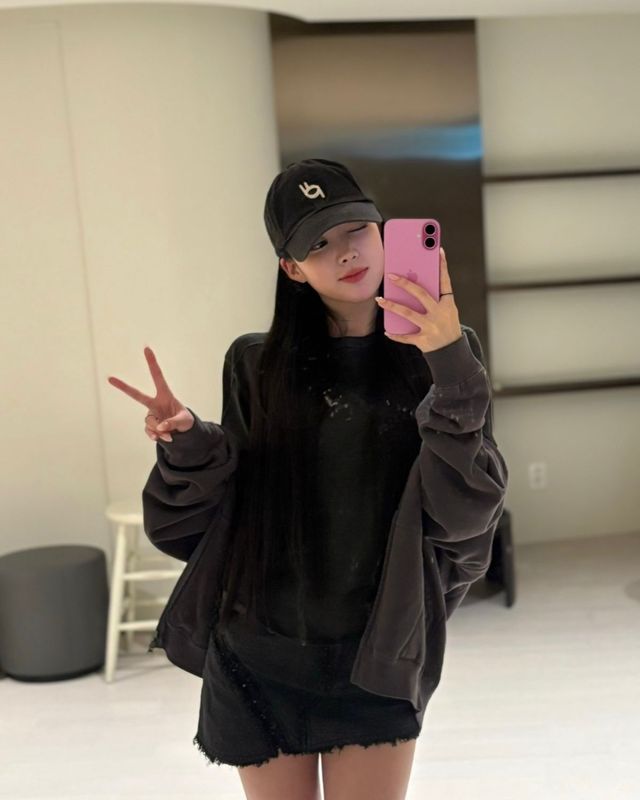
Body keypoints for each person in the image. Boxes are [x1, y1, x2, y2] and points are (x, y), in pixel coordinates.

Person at [108, 158, 509, 800]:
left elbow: (466, 509)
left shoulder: (445, 356)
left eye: (355, 230)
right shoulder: (254, 362)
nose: (345, 252)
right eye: (317, 244)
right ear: (291, 269)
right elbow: (236, 495)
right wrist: (187, 439)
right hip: (258, 648)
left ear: (384, 231)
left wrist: (449, 361)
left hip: (374, 652)